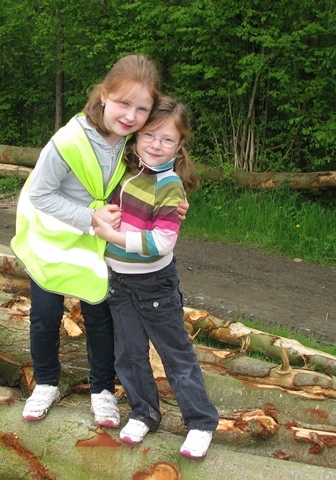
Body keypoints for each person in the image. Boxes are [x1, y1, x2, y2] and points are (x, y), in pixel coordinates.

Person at [11, 55, 187, 427]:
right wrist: (89, 218)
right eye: (124, 103)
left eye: (142, 109)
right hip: (54, 236)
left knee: (99, 315)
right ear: (103, 95)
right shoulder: (69, 141)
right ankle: (45, 382)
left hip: (98, 240)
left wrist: (172, 207)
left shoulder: (132, 141)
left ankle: (102, 389)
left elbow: (154, 177)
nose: (130, 115)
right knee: (45, 314)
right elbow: (40, 194)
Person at [92, 96, 219, 459]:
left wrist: (111, 237)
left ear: (180, 146)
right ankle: (144, 412)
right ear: (135, 137)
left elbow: (161, 243)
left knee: (175, 353)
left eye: (167, 140)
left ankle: (200, 422)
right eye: (149, 136)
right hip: (118, 280)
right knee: (129, 352)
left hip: (154, 285)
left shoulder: (169, 186)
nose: (156, 145)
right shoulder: (123, 171)